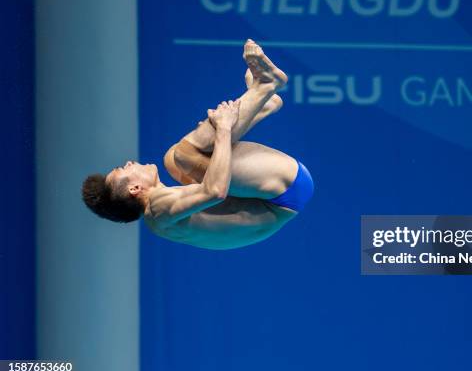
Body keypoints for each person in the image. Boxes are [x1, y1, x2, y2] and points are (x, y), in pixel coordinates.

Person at [82, 40, 314, 249]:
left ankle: (264, 102)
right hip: (283, 193)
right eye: (124, 169)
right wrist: (222, 130)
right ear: (134, 189)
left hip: (280, 196)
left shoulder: (161, 217)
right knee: (184, 155)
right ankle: (264, 87)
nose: (129, 162)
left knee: (174, 160)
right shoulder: (157, 207)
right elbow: (215, 191)